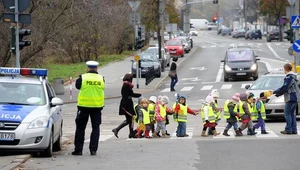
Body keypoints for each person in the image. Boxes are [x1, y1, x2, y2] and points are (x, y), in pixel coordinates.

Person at [72, 61, 105, 156]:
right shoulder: (101, 79)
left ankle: (78, 150)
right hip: (97, 107)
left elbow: (78, 87)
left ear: (87, 68)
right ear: (96, 68)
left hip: (83, 107)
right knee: (95, 128)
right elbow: (102, 89)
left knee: (80, 128)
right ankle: (93, 150)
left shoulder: (82, 78)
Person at [112, 74, 142, 138]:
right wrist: (139, 95)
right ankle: (117, 129)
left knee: (129, 120)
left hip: (127, 103)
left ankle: (130, 133)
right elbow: (131, 94)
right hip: (126, 104)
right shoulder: (126, 85)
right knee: (130, 119)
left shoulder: (127, 85)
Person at [273, 63, 300, 135]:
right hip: (296, 97)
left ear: (286, 69)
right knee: (292, 114)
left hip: (290, 97)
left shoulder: (289, 77)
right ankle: (294, 129)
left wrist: (277, 93)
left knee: (287, 113)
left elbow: (285, 87)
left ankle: (288, 129)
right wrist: (277, 92)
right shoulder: (295, 77)